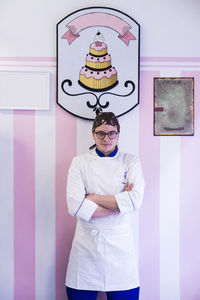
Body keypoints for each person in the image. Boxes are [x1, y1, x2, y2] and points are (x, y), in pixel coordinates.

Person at [65, 112, 145, 300]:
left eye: (112, 133)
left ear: (118, 134)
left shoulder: (131, 161)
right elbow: (75, 206)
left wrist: (92, 198)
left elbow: (135, 201)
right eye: (101, 133)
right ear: (93, 134)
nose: (106, 138)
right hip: (86, 250)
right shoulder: (80, 163)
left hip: (121, 251)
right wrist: (119, 203)